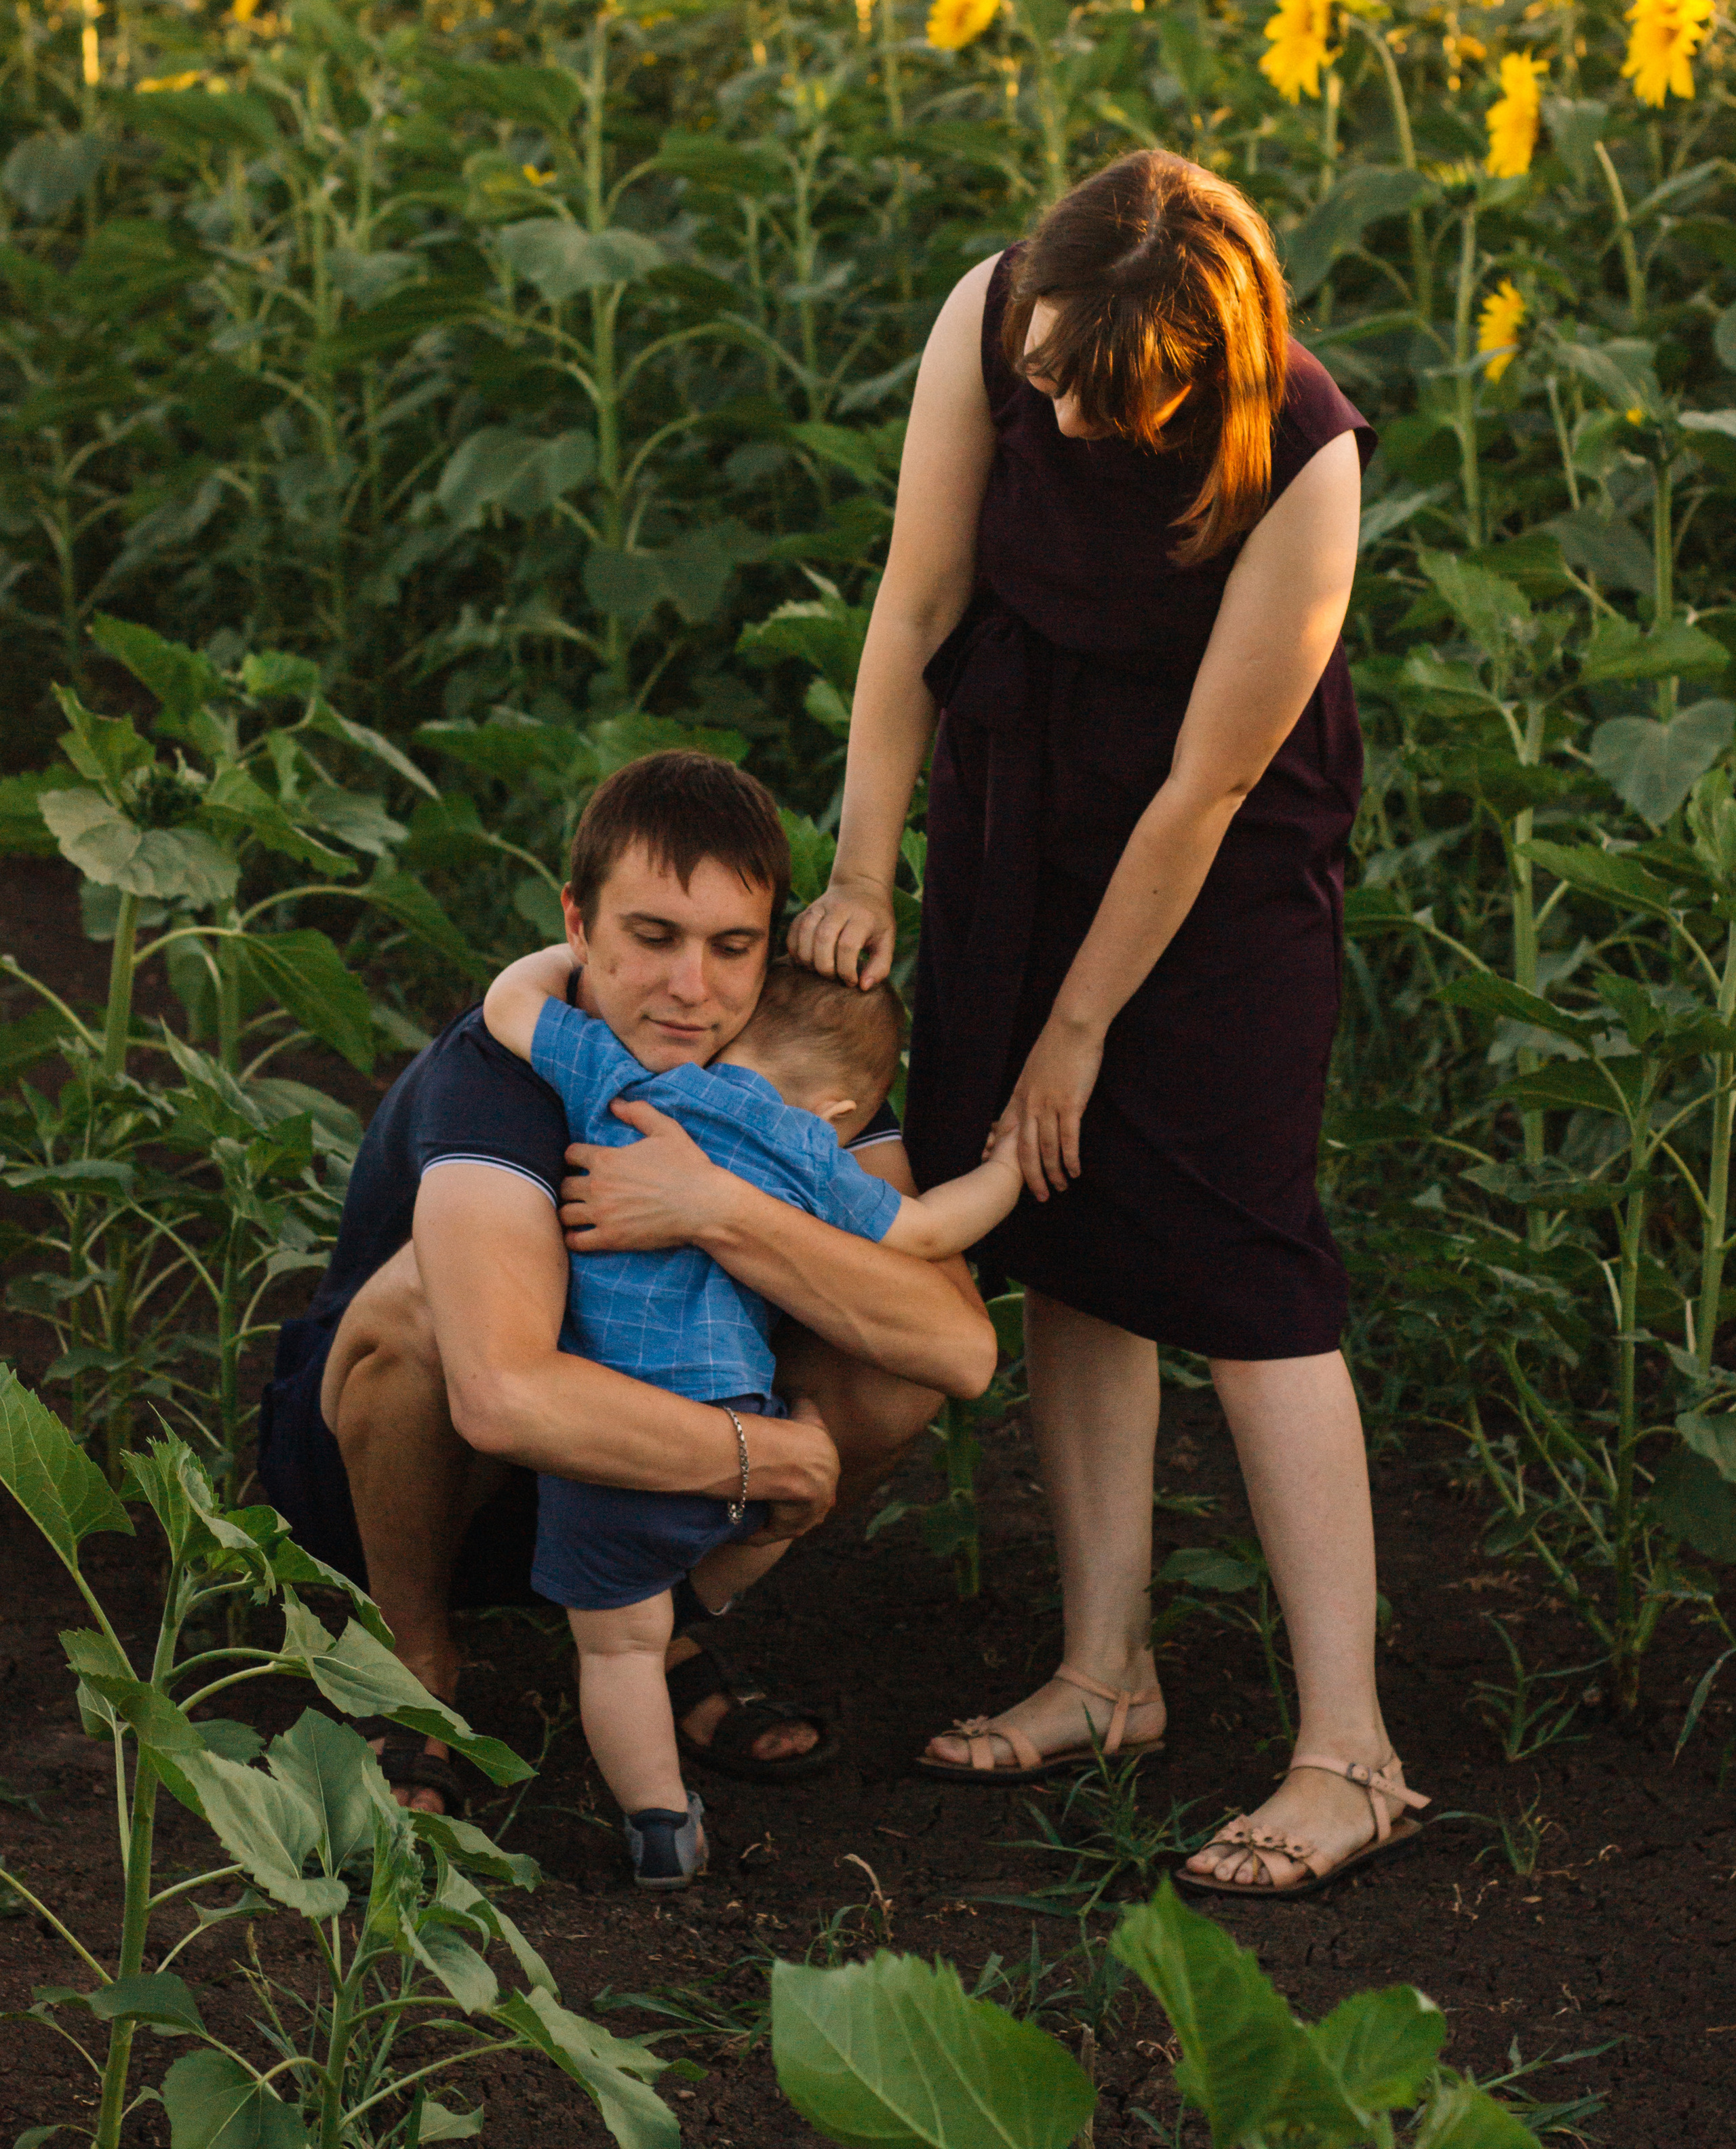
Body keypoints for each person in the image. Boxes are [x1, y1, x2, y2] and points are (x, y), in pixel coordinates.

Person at [789, 149, 1428, 1895]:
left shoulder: (1302, 450)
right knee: (1067, 1229)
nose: (1062, 419)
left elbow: (1202, 795)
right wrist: (866, 875)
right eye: (1052, 373)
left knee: (1241, 1269)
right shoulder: (992, 315)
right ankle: (1104, 1670)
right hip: (1021, 802)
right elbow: (915, 605)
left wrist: (1075, 1037)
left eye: (1110, 397)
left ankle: (1348, 1754)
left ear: (1206, 369)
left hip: (1211, 870)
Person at [258, 749, 998, 1817]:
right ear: (579, 921)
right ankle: (412, 1669)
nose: (691, 990)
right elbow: (500, 1395)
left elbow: (960, 1350)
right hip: (399, 1479)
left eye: (730, 947)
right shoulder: (506, 1073)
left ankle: (664, 1629)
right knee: (430, 1308)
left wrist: (717, 1208)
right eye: (653, 938)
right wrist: (769, 1453)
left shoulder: (792, 1063)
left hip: (632, 1485)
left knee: (890, 1359)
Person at [480, 945, 1022, 1885]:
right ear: (842, 1112)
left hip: (603, 1440)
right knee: (800, 1452)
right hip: (734, 1446)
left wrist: (575, 954)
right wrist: (1009, 1170)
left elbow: (508, 1007)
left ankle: (659, 1825)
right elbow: (931, 1231)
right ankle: (711, 1596)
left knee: (615, 1650)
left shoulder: (629, 1084)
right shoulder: (809, 1147)